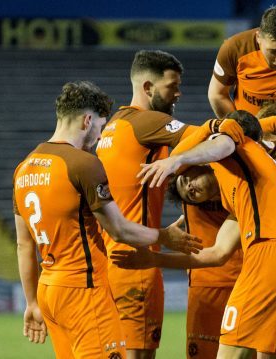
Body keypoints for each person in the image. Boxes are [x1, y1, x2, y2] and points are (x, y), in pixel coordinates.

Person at [13, 81, 201, 358]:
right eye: (100, 127)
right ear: (87, 120)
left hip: (48, 291)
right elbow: (120, 230)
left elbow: (24, 245)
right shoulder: (83, 164)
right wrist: (164, 236)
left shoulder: (24, 167)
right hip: (83, 290)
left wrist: (31, 303)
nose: (99, 137)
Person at [114, 110, 276, 359]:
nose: (189, 186)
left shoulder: (236, 150)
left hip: (270, 254)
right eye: (188, 192)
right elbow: (217, 253)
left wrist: (181, 155)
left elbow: (221, 142)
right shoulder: (249, 187)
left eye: (187, 178)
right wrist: (155, 260)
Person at [95, 49, 190, 359]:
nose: (178, 93)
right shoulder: (148, 122)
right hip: (137, 265)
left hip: (109, 263)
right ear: (148, 87)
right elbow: (209, 137)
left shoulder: (112, 126)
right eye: (172, 85)